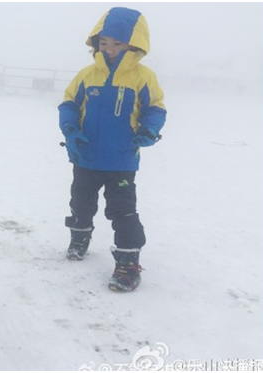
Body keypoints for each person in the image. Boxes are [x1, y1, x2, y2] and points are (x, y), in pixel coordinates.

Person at [58, 7, 167, 292]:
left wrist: (149, 130)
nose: (110, 49)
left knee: (123, 212)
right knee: (80, 204)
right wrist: (70, 129)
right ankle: (80, 237)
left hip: (121, 160)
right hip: (85, 157)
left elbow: (155, 108)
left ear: (134, 45)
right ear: (96, 43)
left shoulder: (143, 77)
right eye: (104, 43)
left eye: (118, 43)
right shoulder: (86, 75)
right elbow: (69, 103)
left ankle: (128, 264)